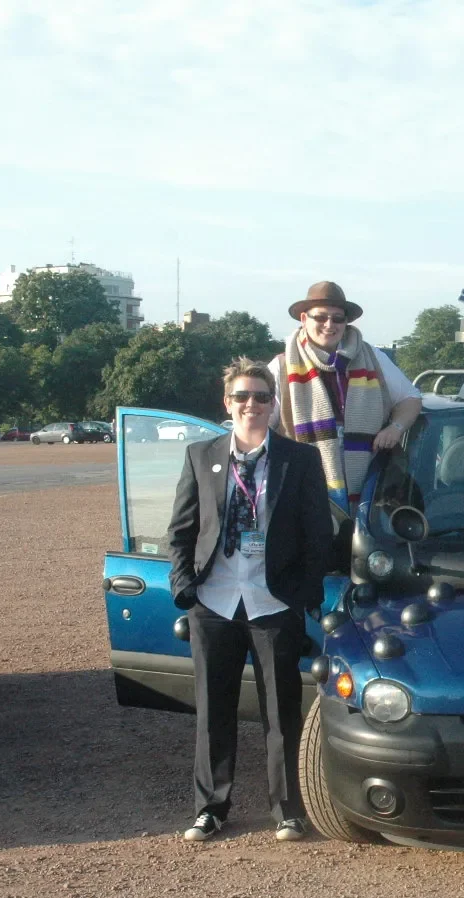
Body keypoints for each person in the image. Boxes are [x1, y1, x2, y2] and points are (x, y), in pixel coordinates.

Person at [169, 358, 336, 843]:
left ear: (273, 404)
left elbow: (316, 534)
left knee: (281, 712)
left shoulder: (298, 460)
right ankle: (210, 809)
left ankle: (286, 810)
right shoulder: (202, 456)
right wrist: (184, 586)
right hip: (215, 601)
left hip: (271, 602)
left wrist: (304, 595)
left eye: (261, 397)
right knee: (212, 709)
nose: (251, 405)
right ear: (227, 403)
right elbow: (181, 530)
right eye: (242, 396)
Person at [270, 281, 423, 519]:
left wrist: (395, 428)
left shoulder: (373, 357)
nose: (329, 325)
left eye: (337, 318)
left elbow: (411, 398)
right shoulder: (280, 366)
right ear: (303, 319)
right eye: (320, 318)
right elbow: (260, 428)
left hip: (367, 491)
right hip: (304, 491)